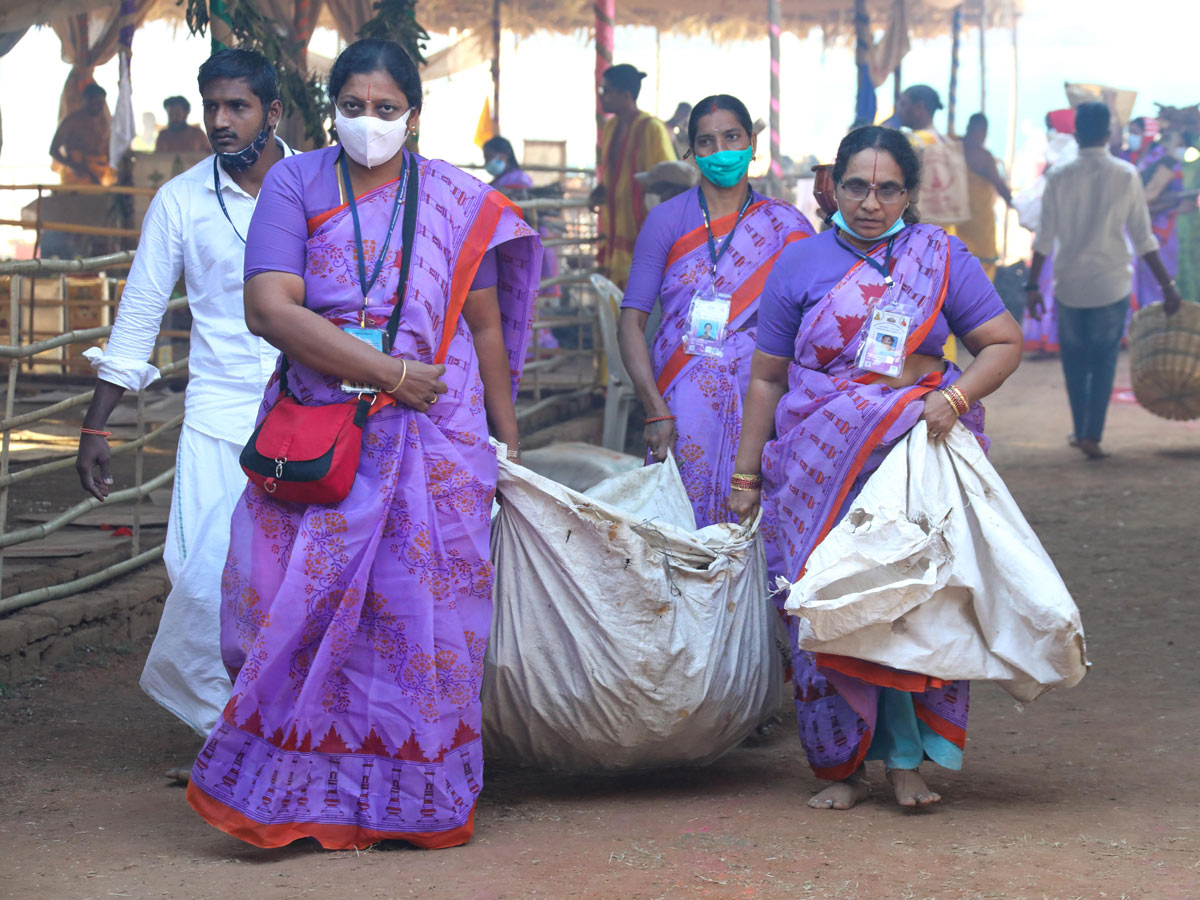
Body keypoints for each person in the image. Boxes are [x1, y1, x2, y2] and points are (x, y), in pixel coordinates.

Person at [184, 38, 541, 851]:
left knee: (417, 627)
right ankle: (294, 789)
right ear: (327, 109)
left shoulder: (453, 196)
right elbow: (269, 308)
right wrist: (388, 372)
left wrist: (505, 438)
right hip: (319, 437)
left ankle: (404, 798)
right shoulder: (295, 181)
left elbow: (484, 324)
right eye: (354, 107)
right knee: (272, 608)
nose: (370, 123)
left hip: (435, 443)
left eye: (387, 110)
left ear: (415, 115)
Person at [729, 125, 1023, 810]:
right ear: (831, 185)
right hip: (811, 467)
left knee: (902, 604)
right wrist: (747, 475)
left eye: (888, 188)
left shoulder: (939, 257)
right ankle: (841, 767)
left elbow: (1001, 344)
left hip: (906, 464)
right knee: (824, 603)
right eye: (857, 186)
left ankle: (903, 760)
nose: (869, 202)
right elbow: (768, 379)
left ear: (909, 193)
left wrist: (954, 397)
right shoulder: (798, 264)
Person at [77, 50, 295, 767]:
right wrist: (96, 421)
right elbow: (140, 311)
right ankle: (230, 735)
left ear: (274, 112)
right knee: (200, 577)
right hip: (219, 411)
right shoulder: (179, 200)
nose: (221, 123)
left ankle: (293, 730)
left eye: (238, 107)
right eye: (213, 108)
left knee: (298, 572)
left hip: (312, 409)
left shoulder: (318, 186)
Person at [617, 94, 813, 535]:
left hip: (764, 400)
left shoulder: (787, 225)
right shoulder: (666, 220)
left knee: (759, 526)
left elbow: (813, 326)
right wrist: (655, 409)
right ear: (690, 151)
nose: (721, 151)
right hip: (682, 405)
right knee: (681, 534)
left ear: (752, 142)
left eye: (732, 137)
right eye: (706, 141)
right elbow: (631, 321)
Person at [1028, 102, 1183, 460]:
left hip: (1068, 284)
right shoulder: (1126, 174)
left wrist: (1032, 286)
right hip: (1112, 284)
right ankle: (1091, 435)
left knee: (1075, 362)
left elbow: (1043, 239)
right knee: (1104, 361)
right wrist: (1168, 287)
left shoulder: (1058, 175)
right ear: (1108, 133)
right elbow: (1144, 239)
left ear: (1077, 132)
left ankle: (1080, 428)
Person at [592, 64, 676, 288]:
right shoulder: (611, 128)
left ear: (626, 95)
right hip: (615, 229)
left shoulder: (653, 129)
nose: (602, 96)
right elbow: (611, 174)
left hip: (644, 229)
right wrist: (600, 190)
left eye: (606, 91)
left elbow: (670, 181)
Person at [483, 135, 561, 307]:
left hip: (521, 242)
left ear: (504, 155)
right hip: (506, 244)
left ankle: (535, 335)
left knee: (525, 299)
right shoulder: (498, 182)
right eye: (485, 157)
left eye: (489, 157)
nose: (486, 162)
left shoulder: (519, 180)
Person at [1123, 122, 1186, 312]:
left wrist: (1151, 208)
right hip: (1132, 225)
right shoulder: (1127, 158)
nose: (1132, 136)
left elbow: (1175, 197)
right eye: (1130, 132)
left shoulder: (1165, 160)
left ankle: (1156, 322)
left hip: (1159, 229)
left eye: (1136, 132)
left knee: (1155, 273)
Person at [956, 113, 1013, 280]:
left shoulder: (953, 146)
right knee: (983, 267)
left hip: (957, 220)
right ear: (982, 131)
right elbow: (1000, 186)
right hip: (979, 223)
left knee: (958, 264)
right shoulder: (984, 157)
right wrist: (1014, 203)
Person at [49, 82, 114, 185]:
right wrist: (74, 166)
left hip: (100, 176)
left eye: (101, 103)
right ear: (85, 100)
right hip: (75, 178)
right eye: (96, 102)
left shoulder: (103, 123)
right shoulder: (71, 121)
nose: (99, 107)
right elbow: (53, 150)